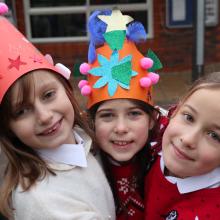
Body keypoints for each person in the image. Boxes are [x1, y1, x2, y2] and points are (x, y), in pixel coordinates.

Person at [0, 4, 115, 220]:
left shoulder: (82, 141)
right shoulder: (43, 202)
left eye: (48, 95)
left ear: (66, 89)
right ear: (9, 127)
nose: (44, 116)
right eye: (22, 111)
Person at [78, 9, 164, 219]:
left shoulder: (170, 161)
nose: (121, 128)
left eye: (134, 114)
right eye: (107, 116)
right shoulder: (81, 168)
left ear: (152, 120)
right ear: (92, 122)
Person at [144, 71, 220, 220]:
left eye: (214, 135)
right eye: (189, 117)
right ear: (175, 111)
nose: (188, 139)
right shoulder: (155, 140)